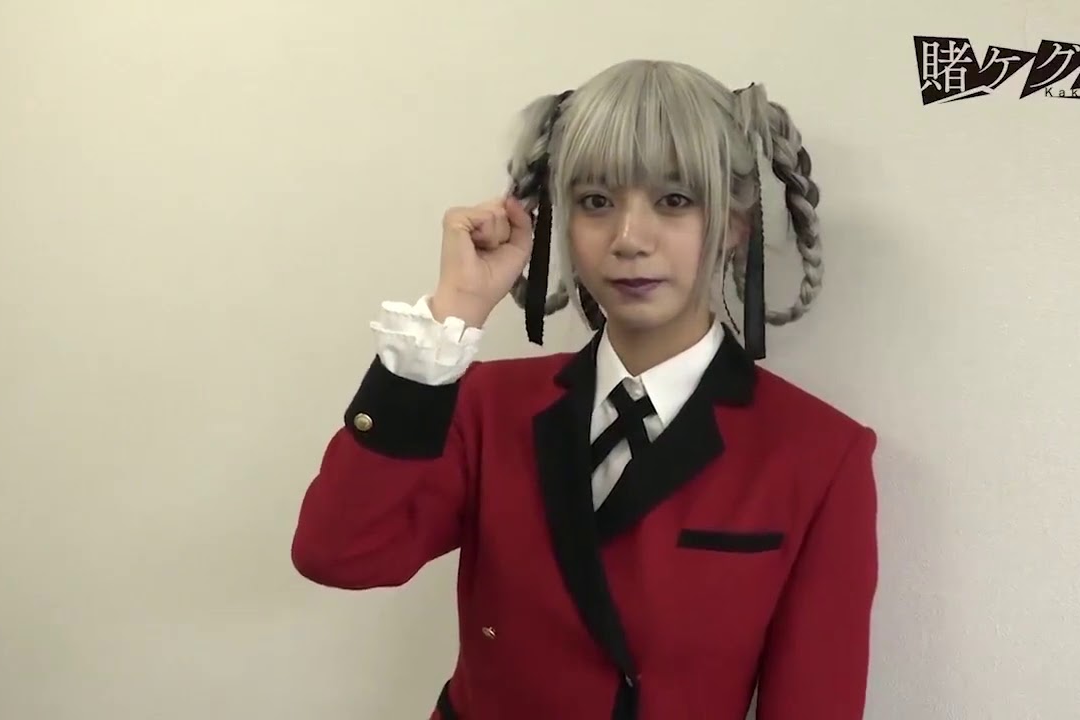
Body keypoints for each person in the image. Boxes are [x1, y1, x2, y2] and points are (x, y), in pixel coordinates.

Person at [291, 58, 879, 720]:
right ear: (560, 220)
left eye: (675, 200)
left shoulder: (818, 454)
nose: (629, 240)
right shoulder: (488, 404)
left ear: (736, 222)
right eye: (596, 202)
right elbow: (339, 554)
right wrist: (450, 315)